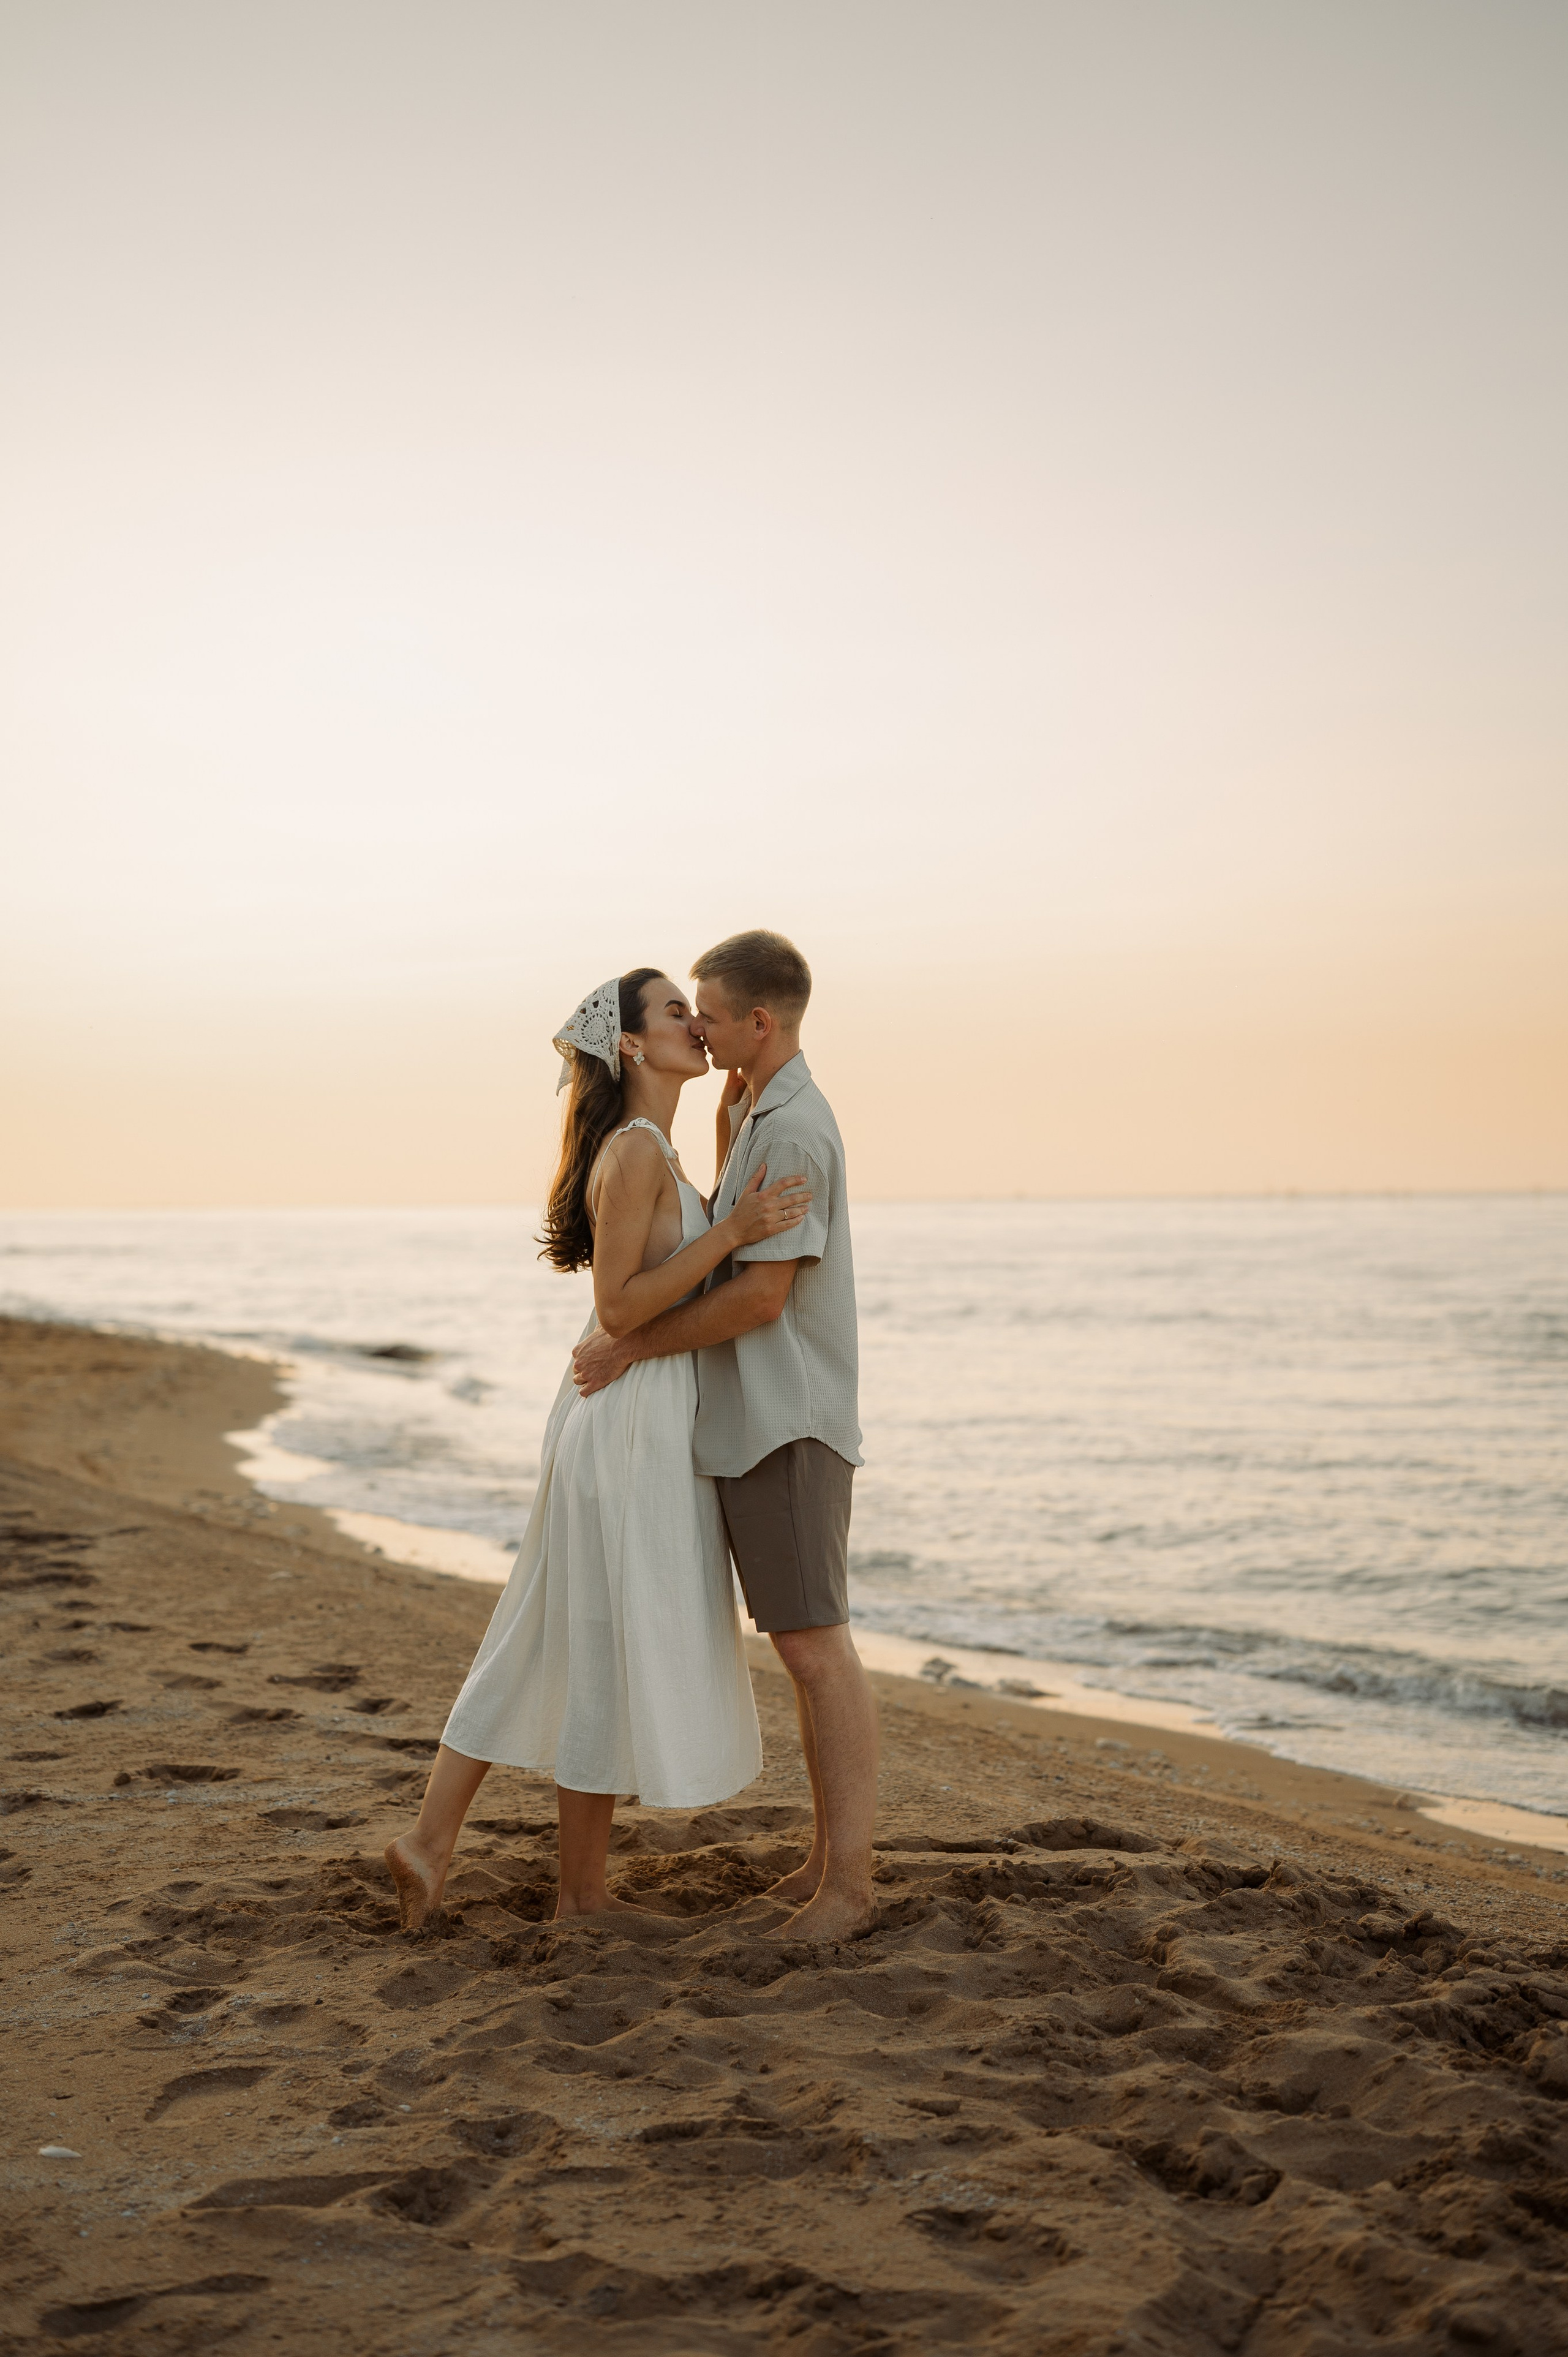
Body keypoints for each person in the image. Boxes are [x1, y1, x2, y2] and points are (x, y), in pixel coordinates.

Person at [384, 967, 812, 1930]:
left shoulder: (656, 1146)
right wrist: (736, 1229)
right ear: (629, 1045)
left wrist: (742, 1113)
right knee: (584, 1639)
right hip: (625, 1422)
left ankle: (457, 1853)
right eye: (673, 1013)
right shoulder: (632, 1154)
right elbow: (619, 1307)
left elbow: (651, 1281)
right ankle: (562, 1892)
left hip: (635, 1414)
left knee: (566, 1637)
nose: (694, 1025)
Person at [573, 929, 878, 1940]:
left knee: (816, 1646)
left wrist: (632, 1348)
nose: (695, 1025)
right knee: (799, 1646)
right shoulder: (742, 1107)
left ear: (760, 1020)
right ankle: (823, 1864)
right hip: (743, 1421)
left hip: (785, 1415)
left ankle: (849, 1890)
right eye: (682, 1011)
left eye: (707, 1009)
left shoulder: (791, 1129)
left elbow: (757, 1302)